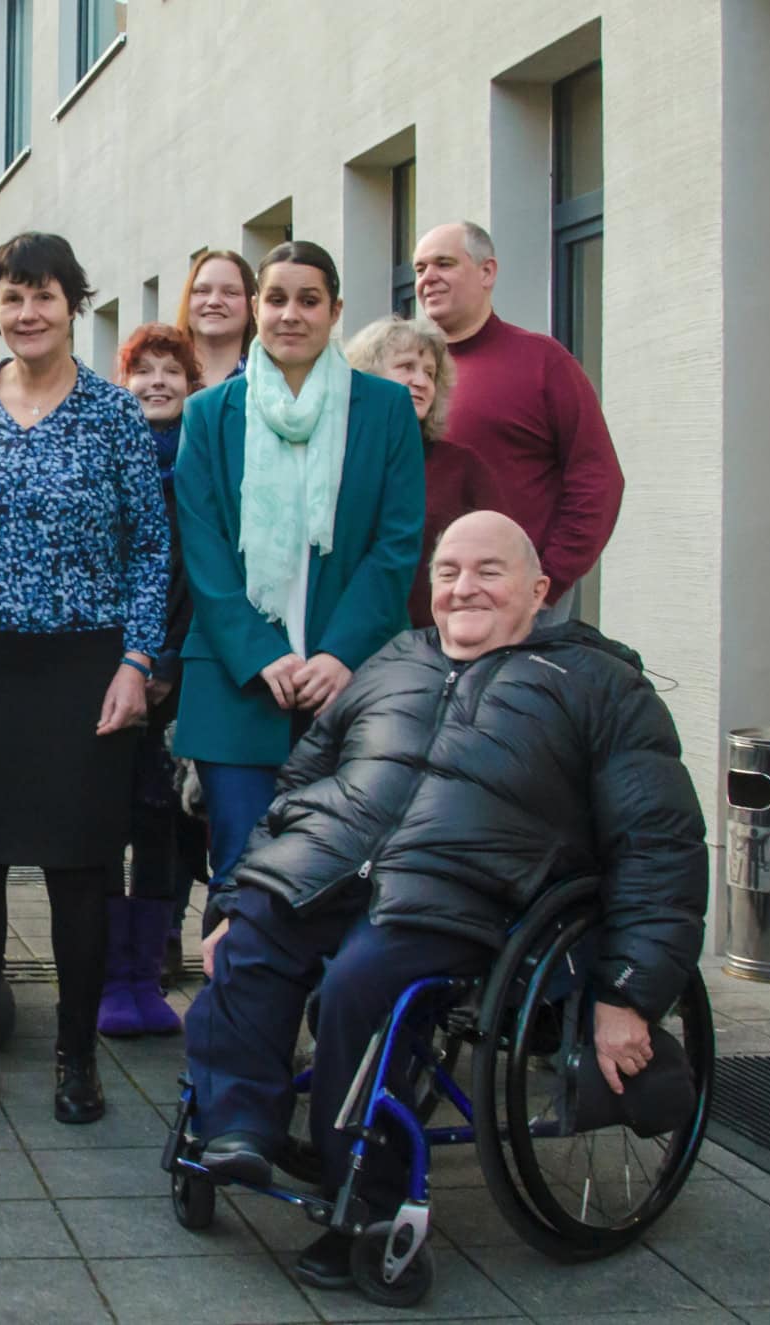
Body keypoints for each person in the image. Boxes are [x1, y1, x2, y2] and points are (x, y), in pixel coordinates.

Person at [186, 510, 707, 1291]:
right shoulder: (394, 660)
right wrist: (233, 892)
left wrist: (629, 991)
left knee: (363, 981)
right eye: (448, 571)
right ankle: (236, 1125)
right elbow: (298, 786)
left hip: (468, 893)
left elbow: (658, 844)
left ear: (539, 588)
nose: (464, 587)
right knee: (254, 931)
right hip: (329, 864)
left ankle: (364, 1191)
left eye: (488, 571)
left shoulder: (601, 685)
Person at [0, 232, 170, 1123]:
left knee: (79, 870)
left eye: (45, 297)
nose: (29, 313)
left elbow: (152, 546)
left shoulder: (113, 414)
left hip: (82, 663)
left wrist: (137, 659)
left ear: (72, 305)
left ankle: (74, 1058)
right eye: (14, 298)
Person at [174, 240, 426, 899]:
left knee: (348, 874)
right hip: (237, 683)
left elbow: (396, 545)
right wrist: (263, 655)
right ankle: (244, 1004)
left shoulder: (387, 409)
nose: (291, 314)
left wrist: (340, 653)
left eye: (308, 300)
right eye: (277, 298)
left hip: (354, 679)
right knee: (240, 871)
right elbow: (202, 552)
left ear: (335, 309)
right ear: (256, 307)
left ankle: (331, 1006)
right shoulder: (207, 415)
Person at [412, 221, 624, 617]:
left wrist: (549, 578)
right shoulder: (407, 373)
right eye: (420, 269)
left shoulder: (542, 363)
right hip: (419, 613)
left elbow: (597, 478)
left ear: (487, 271)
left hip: (518, 606)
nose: (429, 279)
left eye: (444, 264)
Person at [98, 321, 205, 1038]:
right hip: (111, 669)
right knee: (108, 821)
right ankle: (111, 974)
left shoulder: (204, 461)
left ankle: (150, 970)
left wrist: (167, 661)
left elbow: (197, 575)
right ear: (124, 382)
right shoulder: (109, 458)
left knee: (161, 824)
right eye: (145, 371)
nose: (158, 382)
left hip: (181, 670)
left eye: (172, 371)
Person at [345, 314, 506, 628]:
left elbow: (502, 555)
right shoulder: (338, 461)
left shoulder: (463, 467)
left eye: (430, 373)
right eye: (406, 367)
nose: (421, 381)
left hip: (438, 644)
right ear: (366, 376)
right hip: (346, 644)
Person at [175, 248, 257, 390]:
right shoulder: (158, 383)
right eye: (202, 291)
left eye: (230, 293)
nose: (214, 301)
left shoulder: (268, 383)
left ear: (252, 305)